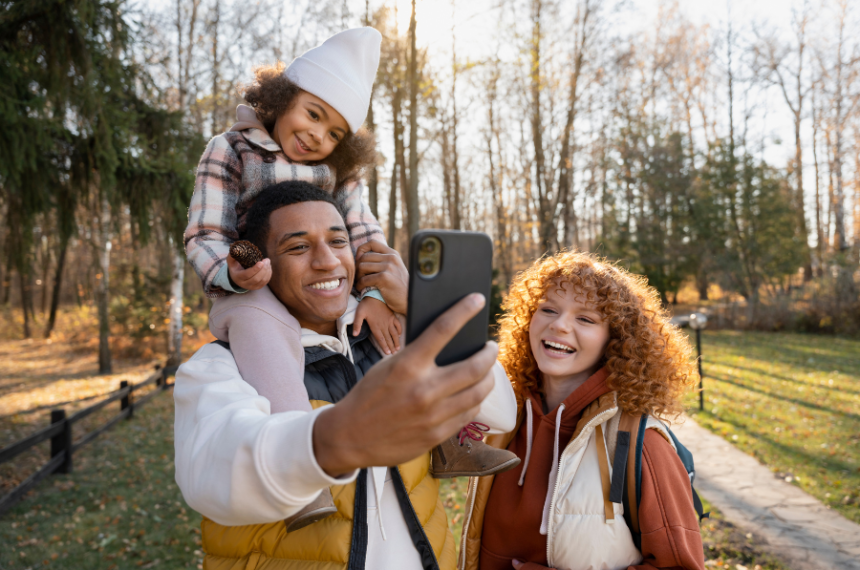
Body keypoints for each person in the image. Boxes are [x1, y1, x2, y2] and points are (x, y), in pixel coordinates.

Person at [183, 28, 518, 492]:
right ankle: (298, 456)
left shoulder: (338, 171)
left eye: (334, 132)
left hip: (324, 284)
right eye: (312, 114)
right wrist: (233, 272)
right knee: (261, 331)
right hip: (251, 278)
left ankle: (450, 439)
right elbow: (206, 231)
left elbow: (362, 233)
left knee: (384, 328)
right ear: (282, 98)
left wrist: (379, 294)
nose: (316, 135)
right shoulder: (233, 148)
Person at [174, 182, 518, 570]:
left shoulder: (395, 335)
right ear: (262, 268)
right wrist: (336, 439)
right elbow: (215, 476)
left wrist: (422, 310)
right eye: (298, 247)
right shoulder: (218, 366)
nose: (327, 261)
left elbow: (500, 416)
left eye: (338, 242)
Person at [458, 251, 706, 570]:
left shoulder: (640, 445)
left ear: (614, 341)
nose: (559, 325)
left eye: (585, 319)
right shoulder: (501, 416)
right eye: (547, 309)